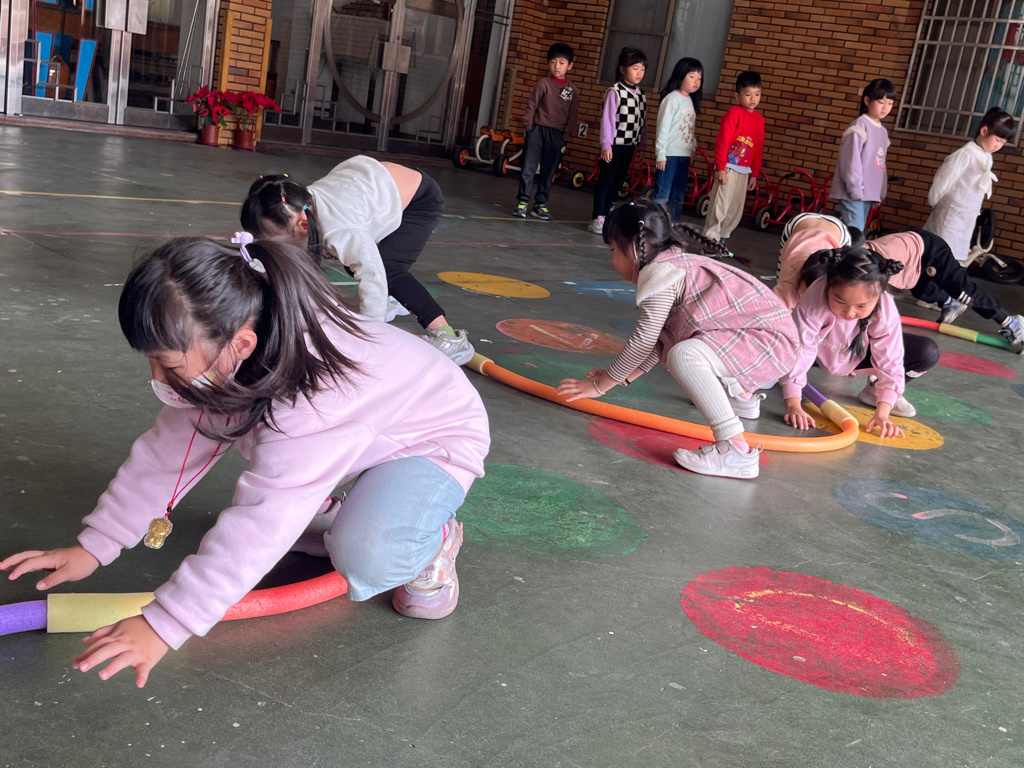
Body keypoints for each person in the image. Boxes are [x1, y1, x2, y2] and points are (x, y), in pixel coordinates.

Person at [0, 236, 490, 687]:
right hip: (361, 435)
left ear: (239, 346)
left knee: (367, 556)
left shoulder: (314, 399)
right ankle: (343, 504)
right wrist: (94, 546)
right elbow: (166, 457)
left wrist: (166, 623)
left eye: (168, 364)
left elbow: (265, 520)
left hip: (431, 438)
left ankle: (432, 540)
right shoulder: (232, 343)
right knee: (279, 474)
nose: (158, 377)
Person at [559, 200, 798, 480]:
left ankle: (735, 449)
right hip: (769, 340)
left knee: (685, 356)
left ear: (636, 247)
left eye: (613, 250)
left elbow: (644, 339)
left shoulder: (660, 273)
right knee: (685, 352)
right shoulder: (675, 263)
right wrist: (622, 378)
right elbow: (659, 340)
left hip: (767, 342)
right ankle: (739, 398)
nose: (612, 261)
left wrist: (599, 386)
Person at [240, 157, 475, 365]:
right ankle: (390, 298)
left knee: (388, 270)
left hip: (418, 199)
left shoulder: (340, 230)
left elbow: (373, 274)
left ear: (302, 224)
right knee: (352, 255)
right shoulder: (295, 205)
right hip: (373, 187)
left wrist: (369, 338)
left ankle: (449, 337)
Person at [774, 212, 1024, 353]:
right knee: (922, 289)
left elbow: (867, 325)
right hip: (902, 258)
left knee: (964, 292)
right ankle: (948, 301)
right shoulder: (818, 266)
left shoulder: (862, 279)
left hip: (927, 249)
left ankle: (1010, 321)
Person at [780, 245, 941, 437]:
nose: (850, 313)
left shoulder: (884, 307)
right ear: (829, 286)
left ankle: (874, 390)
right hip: (816, 352)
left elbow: (891, 359)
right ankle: (777, 372)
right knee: (779, 351)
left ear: (878, 296)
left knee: (927, 351)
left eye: (862, 306)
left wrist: (883, 412)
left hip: (856, 352)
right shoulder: (815, 300)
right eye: (840, 301)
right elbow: (801, 348)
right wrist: (793, 402)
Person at [924, 106, 1014, 267]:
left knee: (955, 257)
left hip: (967, 214)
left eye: (1003, 142)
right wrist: (935, 200)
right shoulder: (966, 153)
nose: (998, 146)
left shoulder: (987, 156)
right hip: (951, 213)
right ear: (984, 131)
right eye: (997, 140)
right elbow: (944, 179)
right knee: (940, 253)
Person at [512, 42, 580, 221]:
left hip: (557, 135)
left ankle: (539, 204)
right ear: (548, 63)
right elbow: (532, 105)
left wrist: (565, 136)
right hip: (537, 131)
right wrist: (529, 127)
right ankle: (522, 202)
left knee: (548, 171)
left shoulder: (572, 91)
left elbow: (573, 116)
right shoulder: (543, 84)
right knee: (528, 167)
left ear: (570, 66)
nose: (557, 66)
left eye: (562, 63)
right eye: (553, 62)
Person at [589, 47, 648, 235]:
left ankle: (609, 213)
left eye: (642, 69)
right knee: (606, 181)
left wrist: (642, 145)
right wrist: (606, 144)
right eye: (635, 68)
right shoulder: (615, 92)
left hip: (629, 146)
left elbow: (643, 121)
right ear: (623, 69)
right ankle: (598, 217)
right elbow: (607, 120)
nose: (639, 73)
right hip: (614, 145)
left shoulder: (641, 95)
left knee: (618, 182)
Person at [702, 71, 764, 249]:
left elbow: (758, 148)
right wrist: (721, 168)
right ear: (737, 96)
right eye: (748, 94)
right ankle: (710, 239)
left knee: (735, 208)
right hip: (728, 167)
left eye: (757, 94)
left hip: (744, 171)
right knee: (720, 204)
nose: (753, 98)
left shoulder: (759, 120)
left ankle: (722, 237)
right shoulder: (733, 114)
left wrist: (754, 174)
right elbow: (722, 142)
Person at [828, 79, 897, 233]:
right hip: (854, 193)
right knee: (855, 234)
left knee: (856, 233)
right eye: (881, 102)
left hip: (867, 194)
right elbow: (850, 161)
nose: (885, 107)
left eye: (890, 103)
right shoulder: (860, 126)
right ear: (867, 100)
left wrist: (880, 193)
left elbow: (881, 165)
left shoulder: (882, 131)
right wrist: (855, 189)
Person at [653, 57, 703, 221]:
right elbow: (663, 128)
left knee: (678, 196)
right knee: (662, 195)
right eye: (692, 76)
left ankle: (674, 228)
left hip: (684, 156)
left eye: (699, 78)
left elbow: (690, 128)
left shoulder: (690, 100)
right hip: (669, 156)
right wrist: (661, 153)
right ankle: (654, 228)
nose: (696, 81)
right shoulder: (671, 99)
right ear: (681, 75)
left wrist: (692, 147)